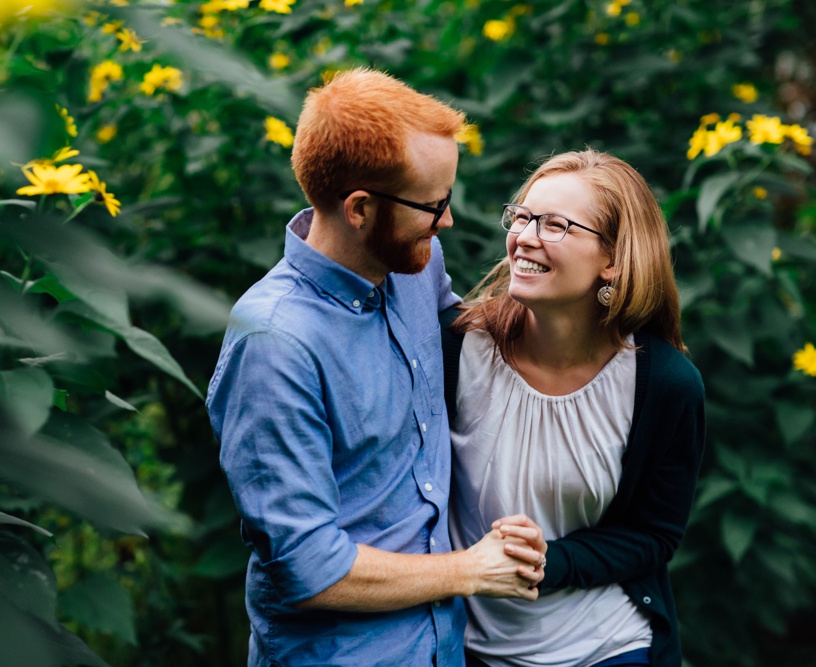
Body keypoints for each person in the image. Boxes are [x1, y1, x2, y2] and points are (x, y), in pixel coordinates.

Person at [207, 68, 548, 667]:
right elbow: (310, 572)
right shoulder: (275, 344)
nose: (446, 221)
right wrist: (471, 569)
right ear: (359, 209)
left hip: (443, 647)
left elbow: (475, 348)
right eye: (433, 204)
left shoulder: (415, 264)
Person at [444, 149, 706, 667]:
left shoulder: (665, 387)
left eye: (555, 225)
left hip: (605, 646)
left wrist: (548, 559)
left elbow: (653, 535)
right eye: (521, 217)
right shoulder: (456, 350)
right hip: (462, 646)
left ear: (613, 259)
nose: (525, 236)